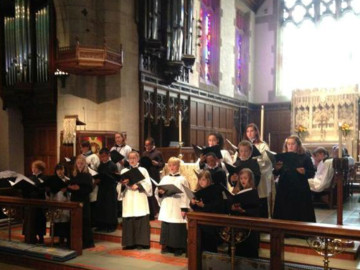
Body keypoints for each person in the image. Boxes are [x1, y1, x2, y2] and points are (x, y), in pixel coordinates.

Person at [273, 135, 316, 223]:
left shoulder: (305, 157)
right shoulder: (282, 157)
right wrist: (277, 168)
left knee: (300, 209)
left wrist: (304, 172)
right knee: (285, 208)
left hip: (300, 187)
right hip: (284, 187)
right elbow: (276, 173)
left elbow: (312, 173)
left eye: (293, 144)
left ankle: (300, 231)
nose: (290, 146)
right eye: (288, 144)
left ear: (298, 145)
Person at [156, 157, 190, 256]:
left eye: (174, 165)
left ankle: (179, 247)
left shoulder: (182, 179)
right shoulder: (165, 178)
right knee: (167, 225)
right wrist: (160, 193)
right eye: (170, 165)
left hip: (177, 205)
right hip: (167, 204)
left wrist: (184, 208)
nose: (171, 167)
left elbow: (186, 194)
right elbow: (157, 191)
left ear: (178, 166)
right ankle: (167, 246)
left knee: (177, 226)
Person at [119, 151, 152, 250]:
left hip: (139, 196)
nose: (132, 160)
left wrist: (138, 185)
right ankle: (129, 243)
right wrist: (123, 184)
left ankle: (141, 243)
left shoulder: (143, 170)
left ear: (138, 159)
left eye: (134, 158)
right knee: (129, 219)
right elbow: (119, 185)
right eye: (130, 158)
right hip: (128, 196)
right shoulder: (124, 171)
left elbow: (148, 184)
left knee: (140, 218)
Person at [190, 170, 225, 252]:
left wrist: (204, 206)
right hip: (199, 222)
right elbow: (194, 207)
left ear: (209, 180)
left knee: (209, 246)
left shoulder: (215, 191)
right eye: (200, 179)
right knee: (198, 245)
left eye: (203, 179)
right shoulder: (198, 191)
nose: (201, 182)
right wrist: (192, 203)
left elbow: (218, 206)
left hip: (210, 223)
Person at [228, 168, 260, 258]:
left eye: (245, 178)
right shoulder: (236, 191)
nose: (243, 180)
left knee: (247, 253)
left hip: (249, 227)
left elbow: (256, 210)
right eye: (241, 178)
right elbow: (230, 206)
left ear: (250, 179)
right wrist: (232, 207)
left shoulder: (253, 192)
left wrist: (244, 211)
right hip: (237, 225)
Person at [244, 123, 273, 218]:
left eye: (252, 131)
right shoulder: (244, 145)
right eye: (247, 131)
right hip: (247, 177)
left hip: (259, 177)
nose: (249, 133)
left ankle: (262, 224)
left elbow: (267, 161)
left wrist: (255, 159)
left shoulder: (263, 145)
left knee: (260, 200)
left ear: (256, 132)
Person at [68, 155, 94, 249]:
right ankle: (74, 241)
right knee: (74, 220)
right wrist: (71, 188)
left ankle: (86, 242)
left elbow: (90, 188)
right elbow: (69, 185)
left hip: (84, 199)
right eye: (78, 163)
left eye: (81, 163)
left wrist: (79, 188)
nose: (79, 165)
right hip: (74, 198)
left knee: (84, 220)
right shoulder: (73, 174)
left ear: (84, 164)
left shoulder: (88, 175)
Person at [94, 148, 119, 232]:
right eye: (101, 156)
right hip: (101, 188)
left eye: (104, 156)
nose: (102, 158)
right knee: (101, 207)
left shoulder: (112, 165)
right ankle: (101, 225)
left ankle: (111, 225)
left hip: (110, 189)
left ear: (108, 155)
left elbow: (116, 178)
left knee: (109, 208)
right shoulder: (100, 165)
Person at [45, 164, 70, 246]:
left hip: (65, 203)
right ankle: (55, 239)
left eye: (61, 169)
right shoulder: (52, 179)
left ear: (64, 170)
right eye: (58, 170)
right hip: (55, 202)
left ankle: (63, 239)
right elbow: (48, 190)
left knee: (64, 221)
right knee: (55, 221)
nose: (60, 171)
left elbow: (70, 192)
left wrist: (65, 191)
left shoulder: (67, 180)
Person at [23, 160, 47, 244]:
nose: (33, 169)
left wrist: (36, 188)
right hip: (30, 201)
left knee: (39, 220)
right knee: (30, 220)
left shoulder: (44, 178)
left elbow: (44, 189)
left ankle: (41, 237)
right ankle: (31, 236)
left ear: (40, 169)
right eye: (32, 167)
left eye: (35, 168)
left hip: (40, 202)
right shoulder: (29, 178)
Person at [142, 137, 165, 220]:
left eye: (148, 145)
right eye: (145, 145)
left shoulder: (158, 153)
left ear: (152, 144)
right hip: (146, 175)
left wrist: (157, 163)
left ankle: (156, 212)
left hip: (154, 175)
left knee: (153, 194)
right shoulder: (144, 153)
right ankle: (149, 212)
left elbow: (163, 164)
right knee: (147, 193)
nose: (146, 147)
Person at [80, 140, 100, 226]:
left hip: (92, 181)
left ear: (87, 147)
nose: (82, 149)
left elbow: (96, 168)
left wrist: (88, 165)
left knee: (92, 202)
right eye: (81, 147)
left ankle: (93, 223)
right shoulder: (80, 156)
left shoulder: (94, 156)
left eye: (83, 147)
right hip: (82, 181)